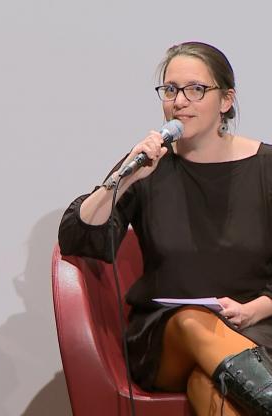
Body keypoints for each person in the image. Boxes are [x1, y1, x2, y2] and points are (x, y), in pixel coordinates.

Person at [58, 41, 272, 415]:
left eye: (195, 89)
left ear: (226, 100)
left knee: (206, 384)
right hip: (166, 336)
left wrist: (259, 308)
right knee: (193, 322)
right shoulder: (149, 166)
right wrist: (126, 178)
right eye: (170, 90)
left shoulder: (266, 166)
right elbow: (79, 238)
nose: (179, 101)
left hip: (256, 328)